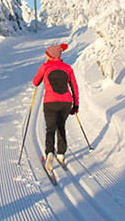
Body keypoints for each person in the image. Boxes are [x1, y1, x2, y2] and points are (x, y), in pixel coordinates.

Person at [32, 43, 79, 171]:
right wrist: (76, 104)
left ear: (50, 55)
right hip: (66, 102)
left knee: (50, 128)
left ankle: (49, 153)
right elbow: (74, 87)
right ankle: (61, 154)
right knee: (61, 127)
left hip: (50, 102)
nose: (45, 56)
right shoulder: (68, 68)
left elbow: (35, 82)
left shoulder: (45, 67)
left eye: (46, 54)